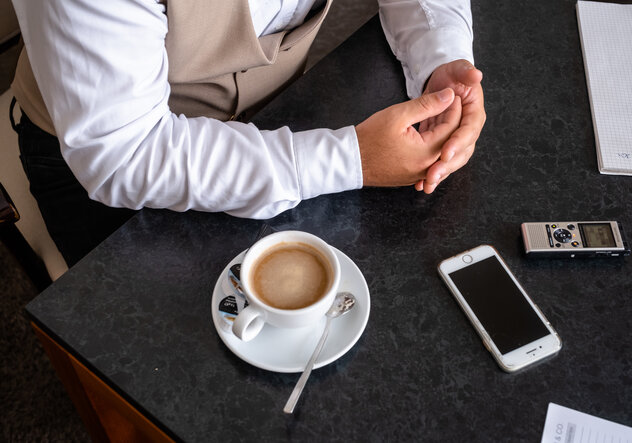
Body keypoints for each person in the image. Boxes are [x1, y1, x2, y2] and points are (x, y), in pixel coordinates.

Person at [10, 0, 485, 267]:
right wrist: (351, 160)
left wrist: (440, 56)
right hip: (115, 169)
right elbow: (125, 153)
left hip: (286, 114)